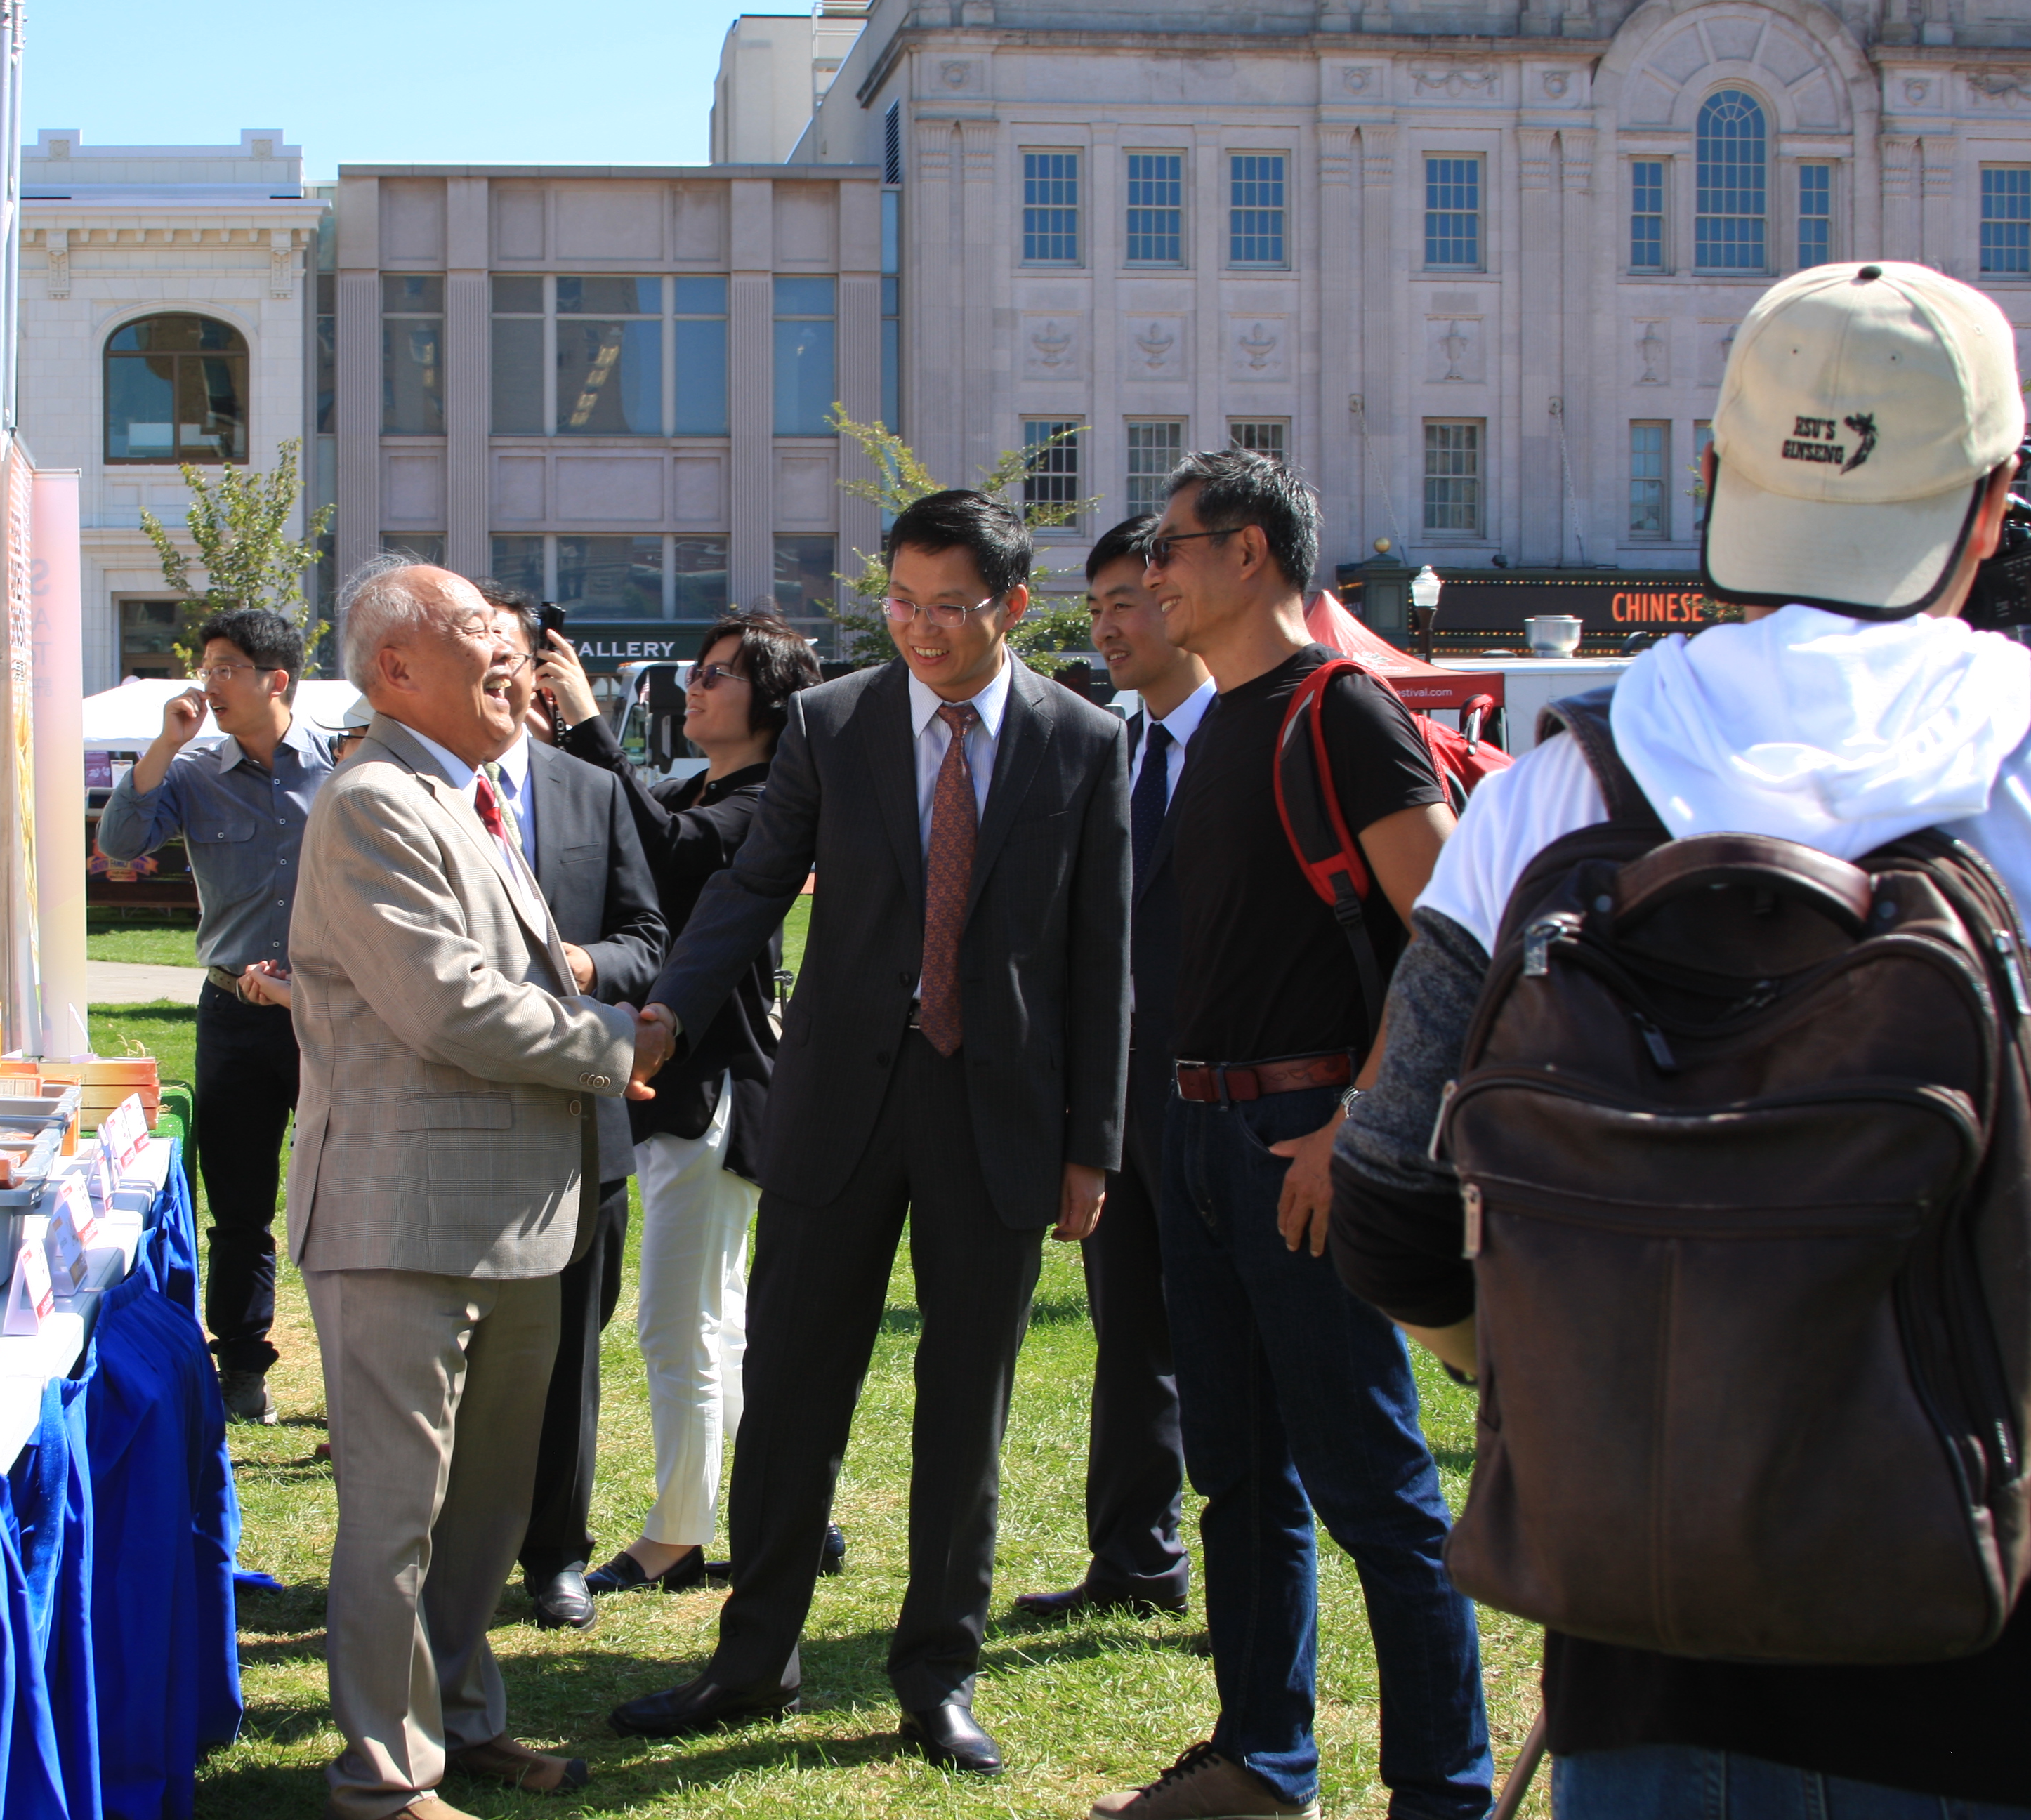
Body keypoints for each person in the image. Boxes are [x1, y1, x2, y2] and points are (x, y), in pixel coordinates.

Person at [1332, 263, 2031, 1820]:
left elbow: (1389, 1199)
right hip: (2004, 1652)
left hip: (1640, 1644)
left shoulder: (1553, 795)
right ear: (1990, 505)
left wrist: (1556, 1370)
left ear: (1715, 477)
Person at [612, 489, 1131, 1777]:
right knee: (791, 1390)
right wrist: (670, 1009)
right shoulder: (833, 723)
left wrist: (1094, 1145)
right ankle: (751, 1659)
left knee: (966, 1410)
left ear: (1013, 606)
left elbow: (1102, 953)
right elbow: (751, 886)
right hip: (835, 1105)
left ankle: (936, 1675)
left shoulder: (1082, 740)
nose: (919, 627)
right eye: (900, 600)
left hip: (998, 1116)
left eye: (949, 606)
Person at [1089, 451, 1490, 1820]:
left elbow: (1452, 937)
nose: (1150, 574)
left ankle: (1443, 1789)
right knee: (1238, 1478)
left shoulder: (1342, 710)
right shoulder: (1214, 725)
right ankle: (1261, 1763)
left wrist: (1354, 1128)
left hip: (1302, 1139)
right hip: (1199, 1137)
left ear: (1248, 550)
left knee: (1374, 1488)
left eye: (1169, 547)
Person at [287, 557, 640, 1820]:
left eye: (508, 633)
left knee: (485, 1509)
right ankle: (383, 1777)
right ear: (395, 669)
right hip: (403, 1219)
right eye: (478, 632)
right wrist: (617, 1046)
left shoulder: (472, 793)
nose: (510, 654)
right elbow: (448, 1005)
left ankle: (464, 1719)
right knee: (400, 1511)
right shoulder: (372, 800)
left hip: (515, 1219)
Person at [539, 609, 824, 1600]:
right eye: (695, 673)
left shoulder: (767, 799)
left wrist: (588, 724)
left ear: (771, 699)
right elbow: (635, 833)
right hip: (674, 1088)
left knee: (681, 1324)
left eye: (716, 675)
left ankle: (677, 1535)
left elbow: (668, 848)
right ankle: (777, 1512)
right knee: (713, 1320)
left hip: (713, 1089)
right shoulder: (692, 785)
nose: (693, 687)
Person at [466, 579, 670, 1633]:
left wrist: (586, 964)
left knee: (565, 1354)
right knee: (456, 1360)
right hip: (452, 1118)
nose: (496, 673)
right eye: (477, 652)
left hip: (583, 1121)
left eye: (511, 653)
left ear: (541, 667)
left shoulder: (588, 791)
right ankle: (450, 1551)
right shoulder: (407, 791)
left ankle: (556, 1554)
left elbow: (649, 936)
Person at [1015, 515, 1208, 1623]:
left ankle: (1258, 1588)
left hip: (1237, 1103)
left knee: (1240, 1349)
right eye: (1093, 609)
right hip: (1123, 1101)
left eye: (1124, 602)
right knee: (1130, 1336)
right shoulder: (1109, 749)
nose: (1106, 628)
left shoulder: (1258, 737)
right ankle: (1137, 1560)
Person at [93, 606, 336, 1424]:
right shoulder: (192, 770)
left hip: (327, 1014)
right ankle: (242, 1366)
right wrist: (163, 746)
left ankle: (354, 1365)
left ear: (278, 679)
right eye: (207, 668)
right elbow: (121, 844)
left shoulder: (342, 766)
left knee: (345, 1198)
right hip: (234, 1014)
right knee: (238, 1204)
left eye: (228, 668)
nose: (211, 684)